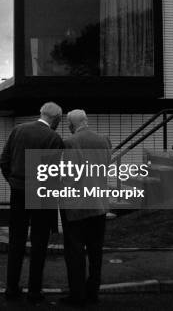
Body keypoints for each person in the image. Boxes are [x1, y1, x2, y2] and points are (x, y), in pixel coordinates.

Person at [0, 102, 65, 304]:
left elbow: (3, 161)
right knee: (39, 242)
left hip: (18, 191)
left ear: (41, 113)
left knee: (16, 240)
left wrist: (13, 182)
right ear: (56, 120)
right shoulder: (53, 138)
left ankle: (11, 288)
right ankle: (34, 291)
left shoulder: (18, 130)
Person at [59, 110, 112, 306]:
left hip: (77, 206)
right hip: (98, 205)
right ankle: (93, 292)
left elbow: (70, 176)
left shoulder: (70, 142)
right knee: (95, 251)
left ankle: (77, 295)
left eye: (68, 124)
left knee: (75, 252)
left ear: (72, 124)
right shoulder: (104, 140)